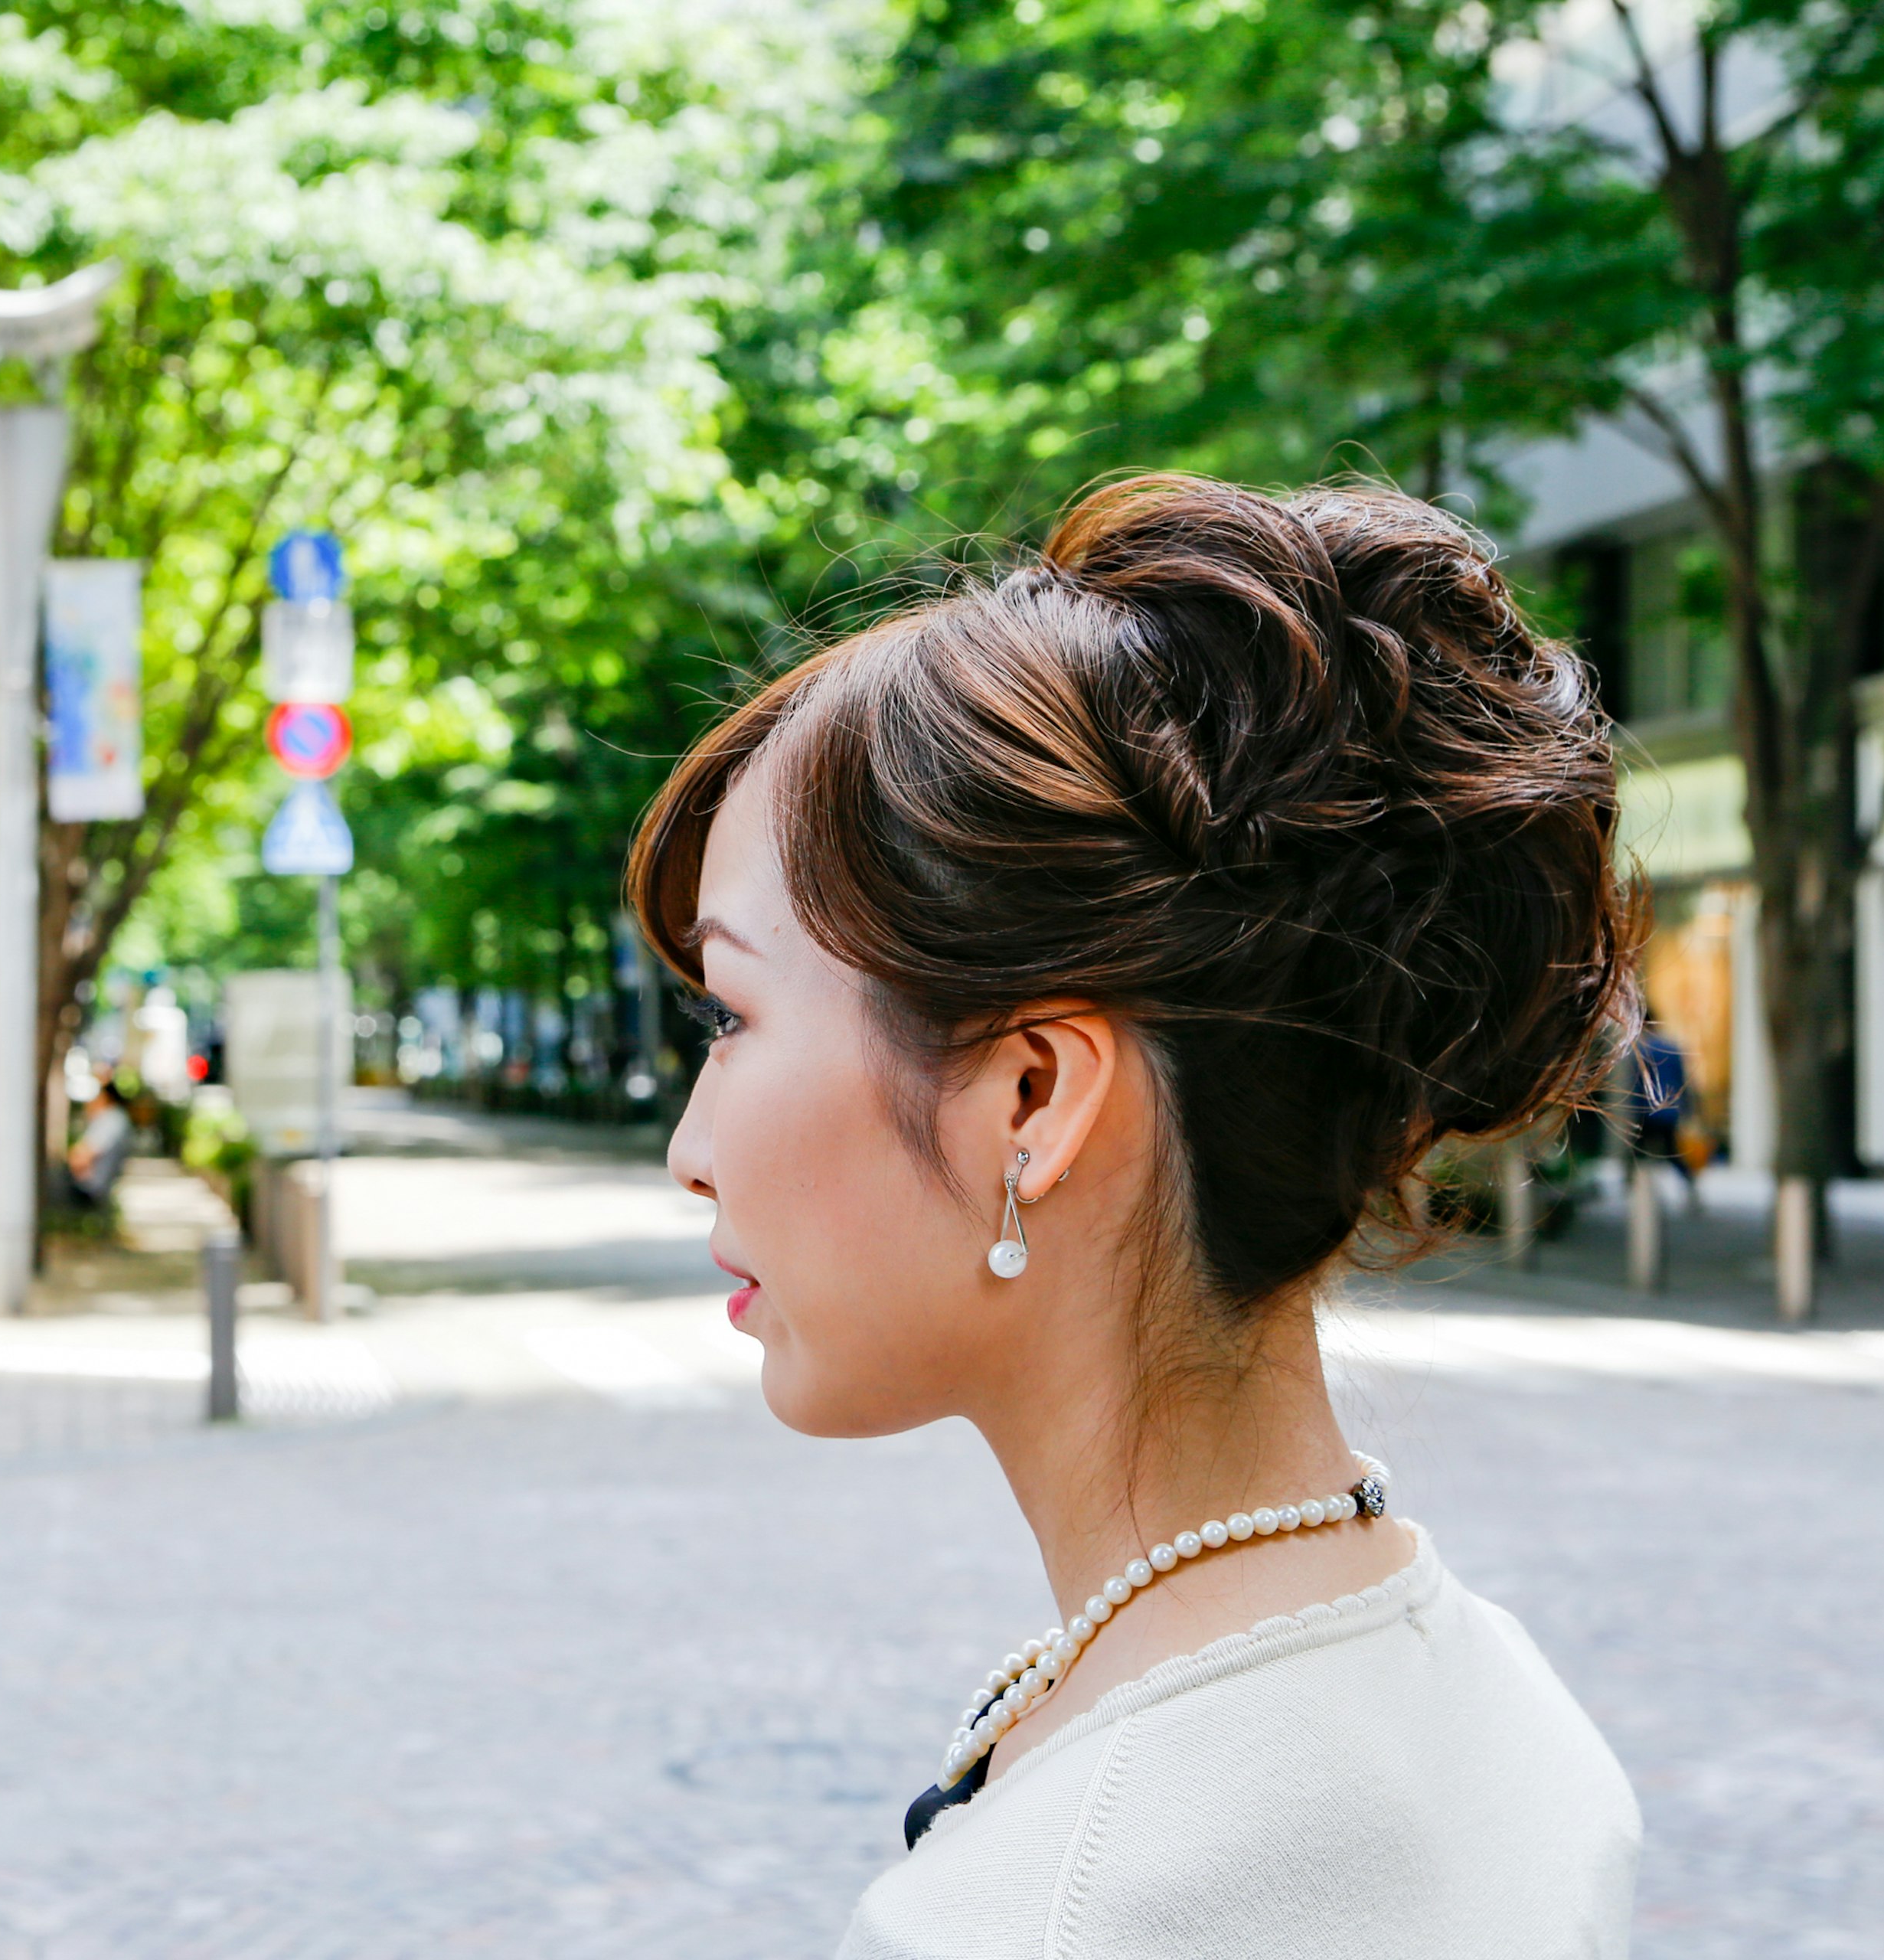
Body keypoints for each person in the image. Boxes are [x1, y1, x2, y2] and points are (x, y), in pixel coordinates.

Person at [629, 477, 1641, 1958]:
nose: (691, 1151)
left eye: (728, 1016)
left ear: (1032, 1097)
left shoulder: (1031, 1917)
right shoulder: (1504, 1702)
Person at [1623, 1014, 1702, 1211]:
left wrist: (1632, 1112)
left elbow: (1637, 1086)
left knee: (1637, 1150)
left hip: (1646, 1110)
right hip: (1670, 1111)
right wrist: (1688, 1108)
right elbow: (1684, 1080)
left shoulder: (1640, 1051)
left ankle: (1633, 1188)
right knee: (1672, 1152)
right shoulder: (1673, 1048)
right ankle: (1689, 1185)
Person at [62, 1081, 133, 1211]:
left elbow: (83, 1158)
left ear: (105, 1098)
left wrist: (71, 1157)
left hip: (90, 1187)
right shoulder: (115, 1118)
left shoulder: (110, 1120)